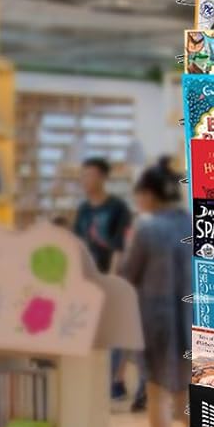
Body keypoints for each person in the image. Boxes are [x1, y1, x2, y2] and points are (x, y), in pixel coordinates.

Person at [119, 158, 191, 427]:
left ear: (149, 195)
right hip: (191, 317)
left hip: (156, 320)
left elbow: (129, 274)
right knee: (186, 394)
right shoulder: (192, 222)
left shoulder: (147, 228)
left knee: (157, 391)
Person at [72, 157, 135, 397]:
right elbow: (77, 244)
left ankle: (116, 381)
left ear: (102, 178)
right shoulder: (84, 209)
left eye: (89, 175)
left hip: (111, 277)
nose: (84, 180)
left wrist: (111, 278)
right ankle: (96, 380)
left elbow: (120, 246)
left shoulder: (118, 208)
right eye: (83, 175)